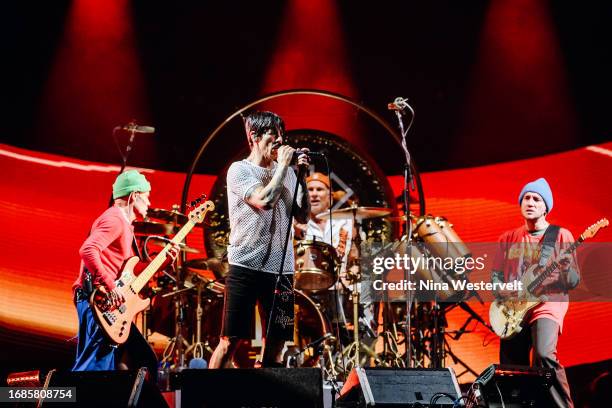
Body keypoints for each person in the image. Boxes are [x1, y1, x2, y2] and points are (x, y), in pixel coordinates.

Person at [209, 111, 310, 368]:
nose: (279, 141)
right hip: (245, 265)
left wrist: (302, 177)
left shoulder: (286, 172)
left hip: (282, 269)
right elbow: (264, 201)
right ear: (254, 137)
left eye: (281, 136)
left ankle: (267, 400)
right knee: (230, 340)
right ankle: (207, 398)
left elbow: (303, 216)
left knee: (277, 343)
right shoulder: (239, 170)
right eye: (273, 136)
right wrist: (285, 168)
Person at [72, 170, 179, 375]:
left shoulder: (124, 224)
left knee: (115, 364)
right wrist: (112, 287)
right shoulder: (115, 220)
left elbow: (128, 273)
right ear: (133, 196)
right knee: (92, 367)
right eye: (146, 197)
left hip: (107, 304)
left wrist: (164, 262)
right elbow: (88, 250)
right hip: (99, 300)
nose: (149, 203)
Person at [491, 177, 580, 408]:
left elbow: (573, 280)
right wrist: (505, 291)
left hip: (547, 303)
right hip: (514, 309)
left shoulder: (561, 236)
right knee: (512, 366)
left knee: (543, 354)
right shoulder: (507, 239)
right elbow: (495, 279)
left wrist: (566, 267)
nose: (530, 202)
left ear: (545, 207)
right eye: (526, 198)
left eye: (536, 199)